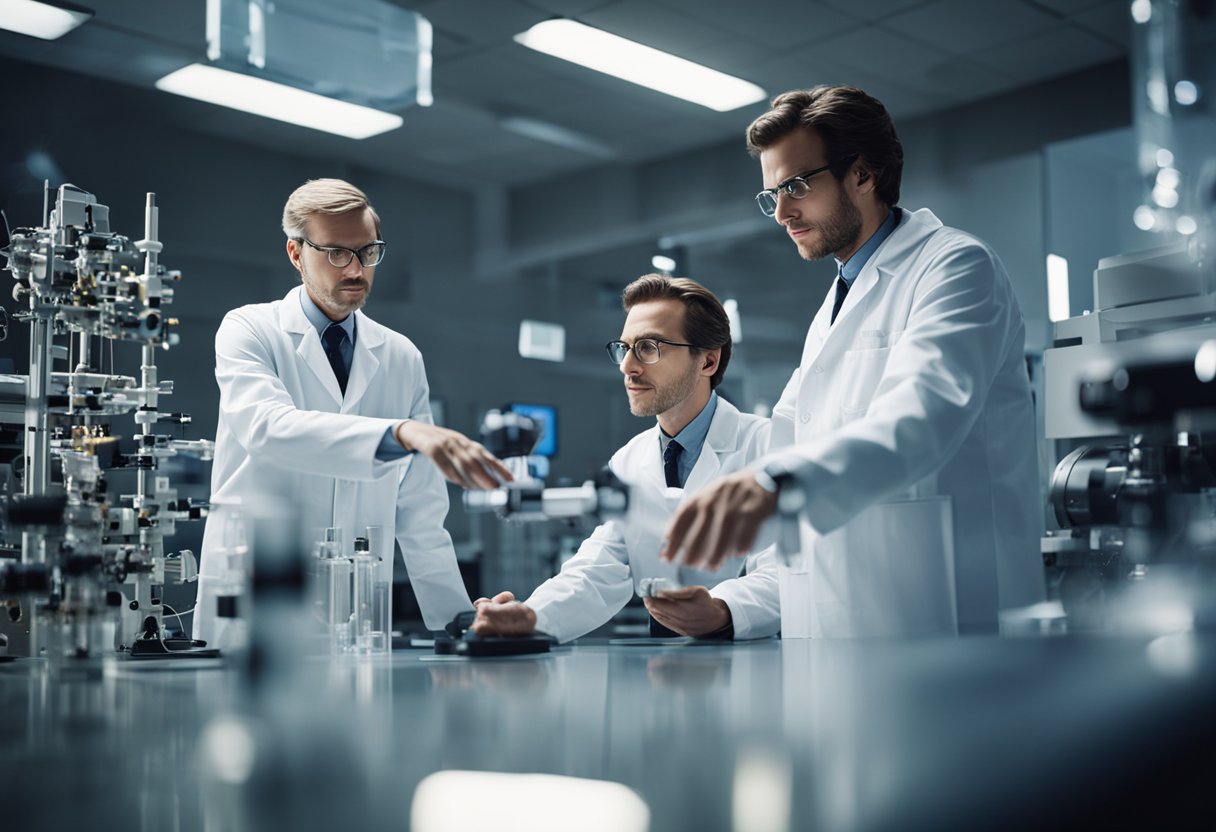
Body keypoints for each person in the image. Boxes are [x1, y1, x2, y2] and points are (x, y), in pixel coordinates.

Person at [660, 85, 1045, 637]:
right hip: (840, 633)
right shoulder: (836, 306)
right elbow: (794, 472)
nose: (782, 213)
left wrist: (772, 483)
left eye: (794, 186)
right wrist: (730, 607)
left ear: (862, 174)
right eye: (772, 195)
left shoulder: (955, 266)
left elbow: (919, 421)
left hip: (946, 621)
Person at [193, 178, 510, 648]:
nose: (357, 268)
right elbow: (268, 428)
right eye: (337, 253)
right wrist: (400, 433)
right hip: (257, 594)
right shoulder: (249, 330)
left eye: (368, 252)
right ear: (296, 254)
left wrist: (457, 618)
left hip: (360, 603)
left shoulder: (401, 355)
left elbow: (420, 507)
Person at [472, 275, 780, 643]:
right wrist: (531, 617)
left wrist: (721, 610)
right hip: (662, 673)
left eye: (649, 347)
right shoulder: (629, 460)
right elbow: (598, 570)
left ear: (708, 361)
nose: (627, 367)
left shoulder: (768, 445)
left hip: (754, 668)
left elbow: (788, 572)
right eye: (624, 347)